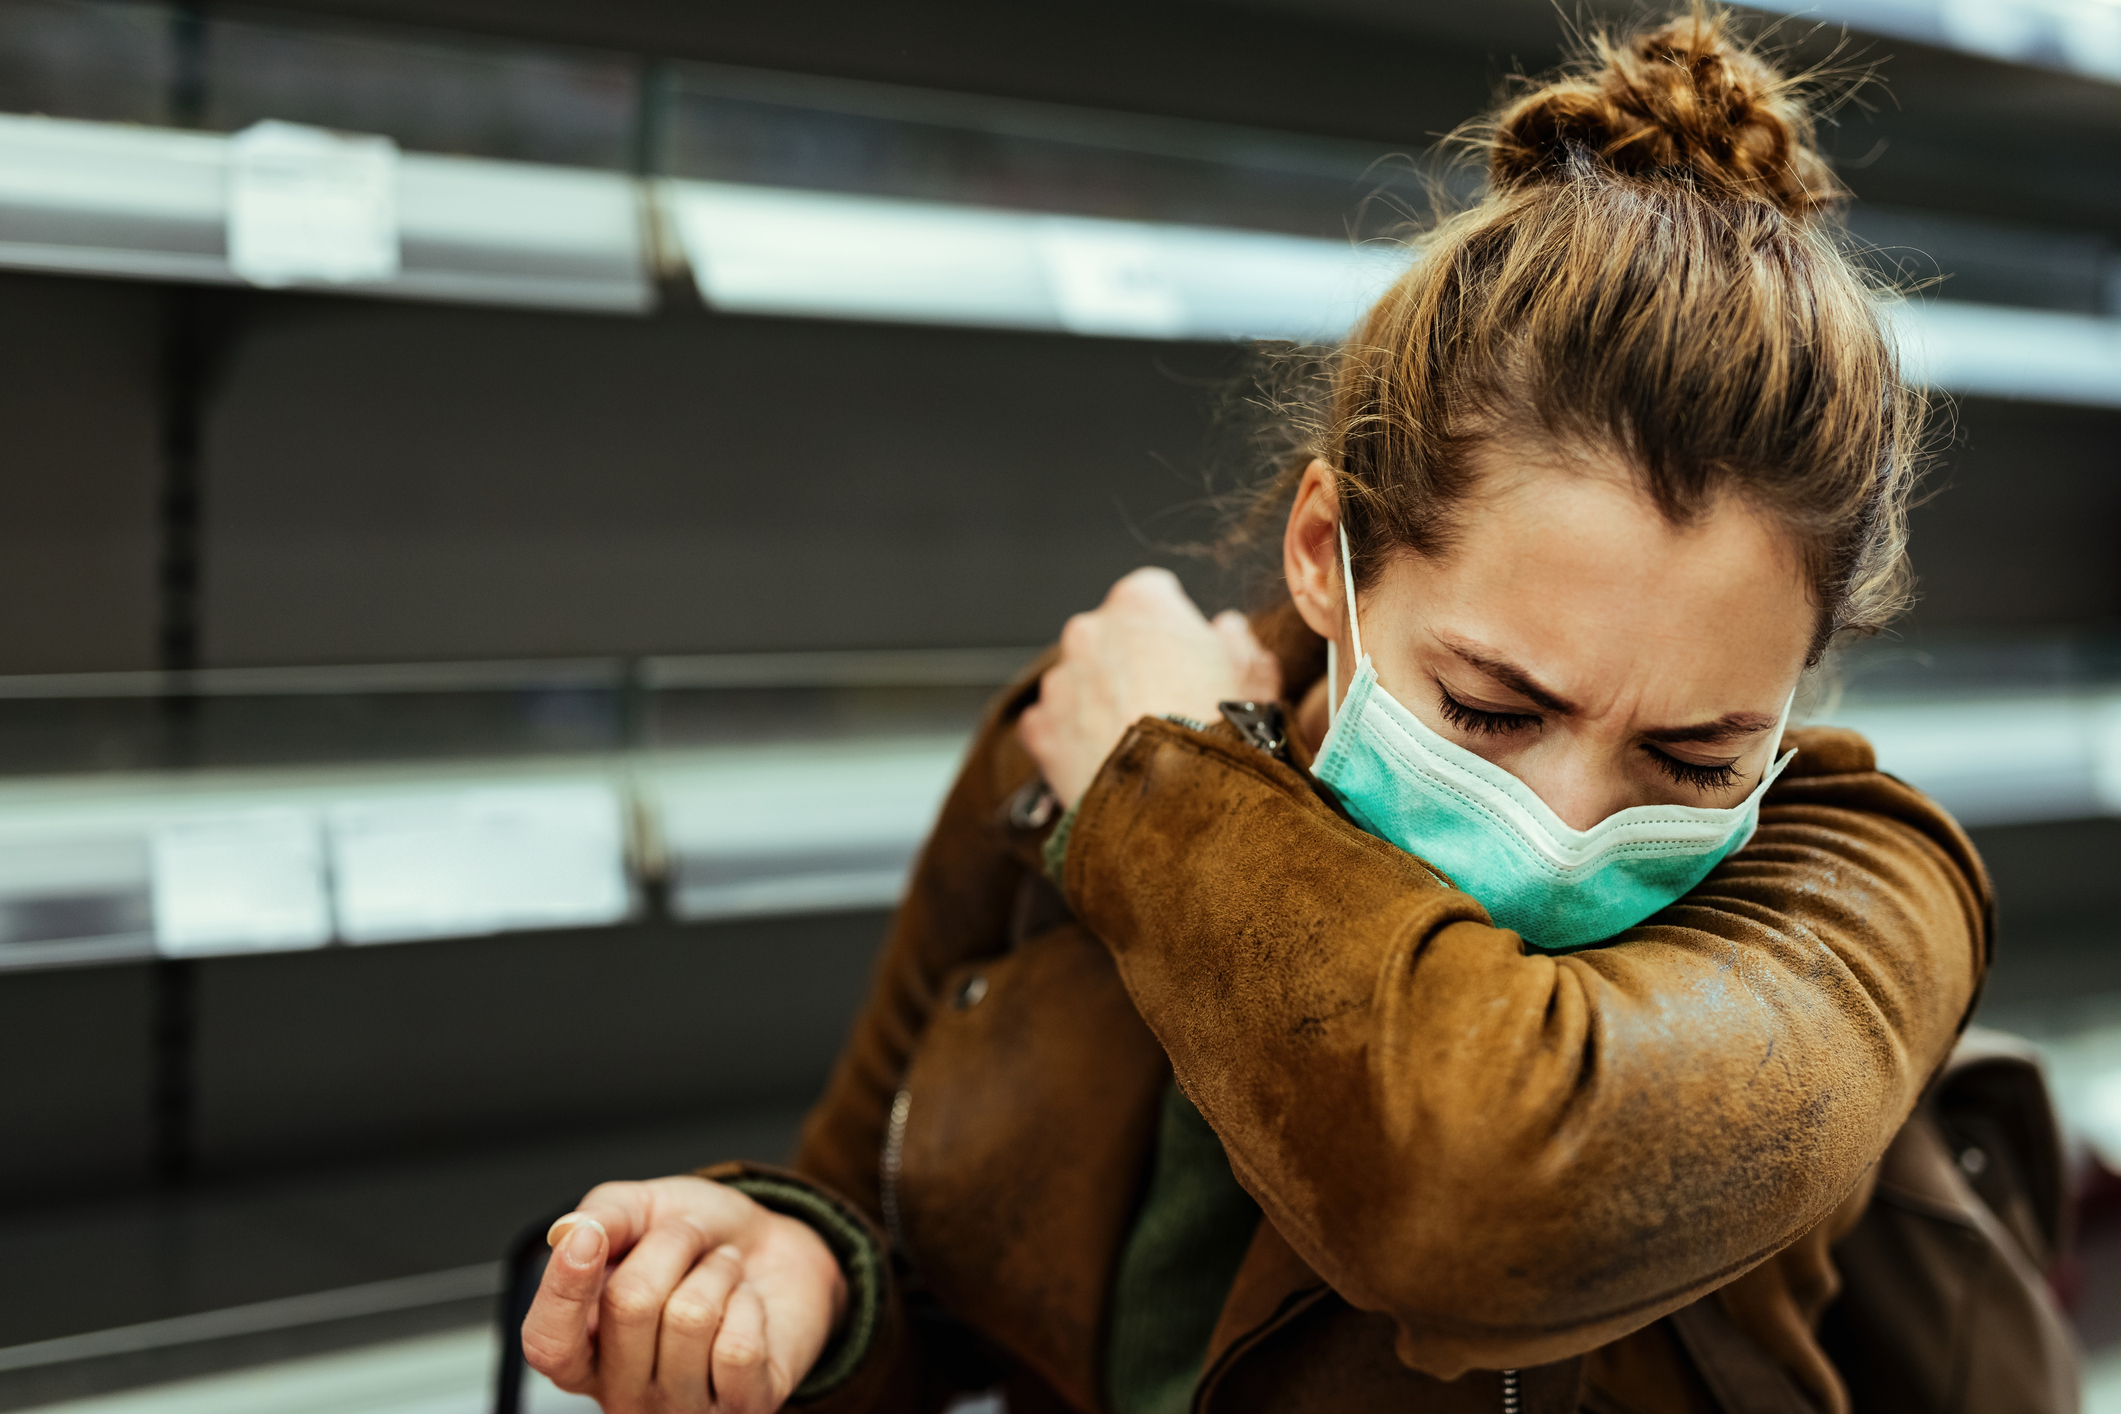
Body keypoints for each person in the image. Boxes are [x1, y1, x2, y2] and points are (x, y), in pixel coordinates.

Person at [520, 10, 2076, 1413]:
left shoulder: (1864, 895)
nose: (1567, 822)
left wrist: (1160, 797)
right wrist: (803, 1285)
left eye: (1694, 751)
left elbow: (1477, 1202)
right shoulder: (1062, 750)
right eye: (1490, 707)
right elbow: (897, 1224)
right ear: (1328, 552)